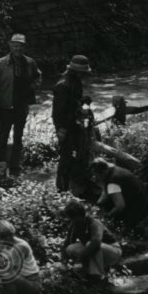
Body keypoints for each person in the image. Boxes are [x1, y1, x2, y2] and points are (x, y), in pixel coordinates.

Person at [0, 33, 41, 180]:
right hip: (5, 106)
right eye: (15, 45)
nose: (18, 48)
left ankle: (15, 169)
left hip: (21, 106)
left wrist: (32, 87)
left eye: (20, 46)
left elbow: (37, 77)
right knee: (2, 138)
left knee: (18, 138)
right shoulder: (1, 63)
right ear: (10, 46)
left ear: (24, 47)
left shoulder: (30, 62)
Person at [51, 55, 91, 192]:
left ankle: (73, 182)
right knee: (66, 156)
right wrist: (62, 130)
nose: (84, 75)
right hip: (65, 125)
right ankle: (61, 188)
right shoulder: (63, 85)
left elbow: (74, 101)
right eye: (83, 72)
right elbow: (59, 112)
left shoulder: (75, 81)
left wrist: (83, 101)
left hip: (73, 122)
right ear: (76, 71)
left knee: (78, 152)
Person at [60, 199, 122, 280]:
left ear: (80, 215)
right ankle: (87, 273)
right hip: (95, 251)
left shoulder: (94, 222)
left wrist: (81, 259)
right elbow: (67, 243)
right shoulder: (74, 226)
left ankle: (98, 276)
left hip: (113, 251)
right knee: (70, 248)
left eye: (73, 218)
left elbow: (96, 241)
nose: (72, 221)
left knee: (91, 245)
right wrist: (63, 262)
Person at [0, 220, 41, 294]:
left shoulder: (20, 246)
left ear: (8, 236)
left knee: (6, 275)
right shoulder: (6, 244)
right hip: (21, 280)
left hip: (31, 281)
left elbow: (8, 268)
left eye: (1, 239)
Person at [91, 158, 148, 230]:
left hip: (138, 207)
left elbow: (120, 206)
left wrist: (107, 216)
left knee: (119, 227)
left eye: (96, 175)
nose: (95, 177)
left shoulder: (112, 181)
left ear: (103, 172)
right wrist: (97, 204)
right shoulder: (113, 169)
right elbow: (106, 192)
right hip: (143, 200)